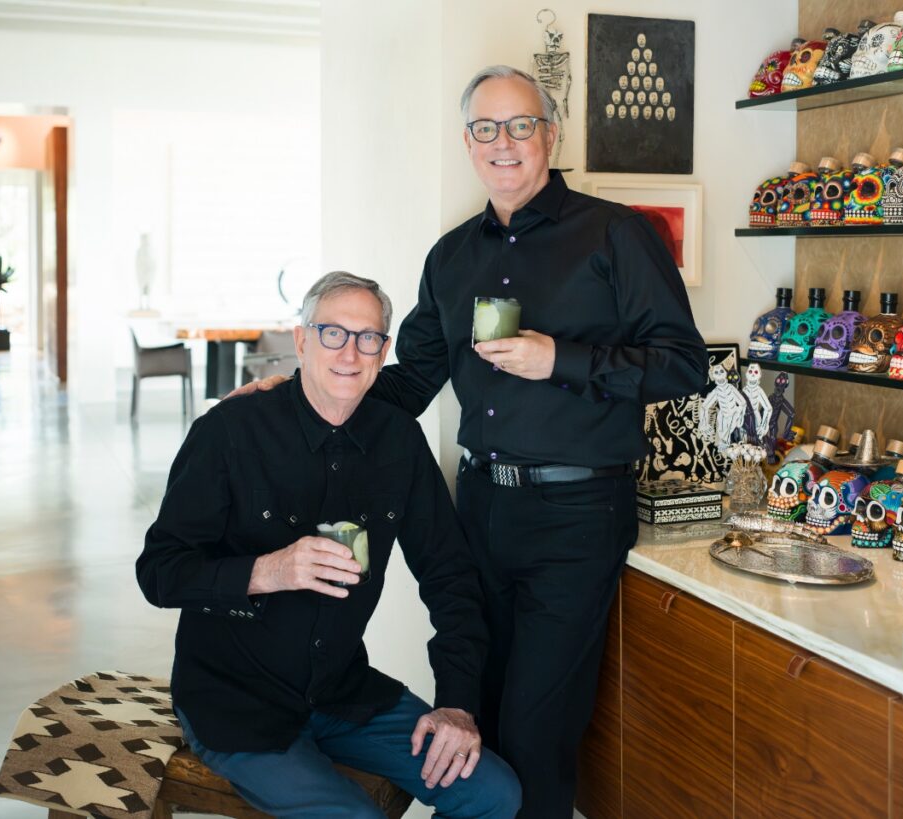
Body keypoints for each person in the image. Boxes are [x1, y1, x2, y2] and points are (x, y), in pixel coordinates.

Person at [238, 66, 707, 817]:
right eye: (486, 129)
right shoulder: (450, 256)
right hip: (479, 507)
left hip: (579, 513)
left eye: (520, 125)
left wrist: (563, 359)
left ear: (549, 134)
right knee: (475, 718)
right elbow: (409, 381)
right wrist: (303, 389)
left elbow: (685, 365)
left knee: (536, 728)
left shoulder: (615, 234)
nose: (504, 143)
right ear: (468, 143)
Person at [137, 271, 521, 818]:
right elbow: (159, 572)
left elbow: (451, 576)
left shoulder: (398, 441)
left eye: (367, 338)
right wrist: (268, 571)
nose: (350, 352)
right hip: (235, 702)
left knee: (494, 792)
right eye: (332, 333)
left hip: (344, 695)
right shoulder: (229, 432)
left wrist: (457, 703)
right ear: (301, 341)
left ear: (383, 351)